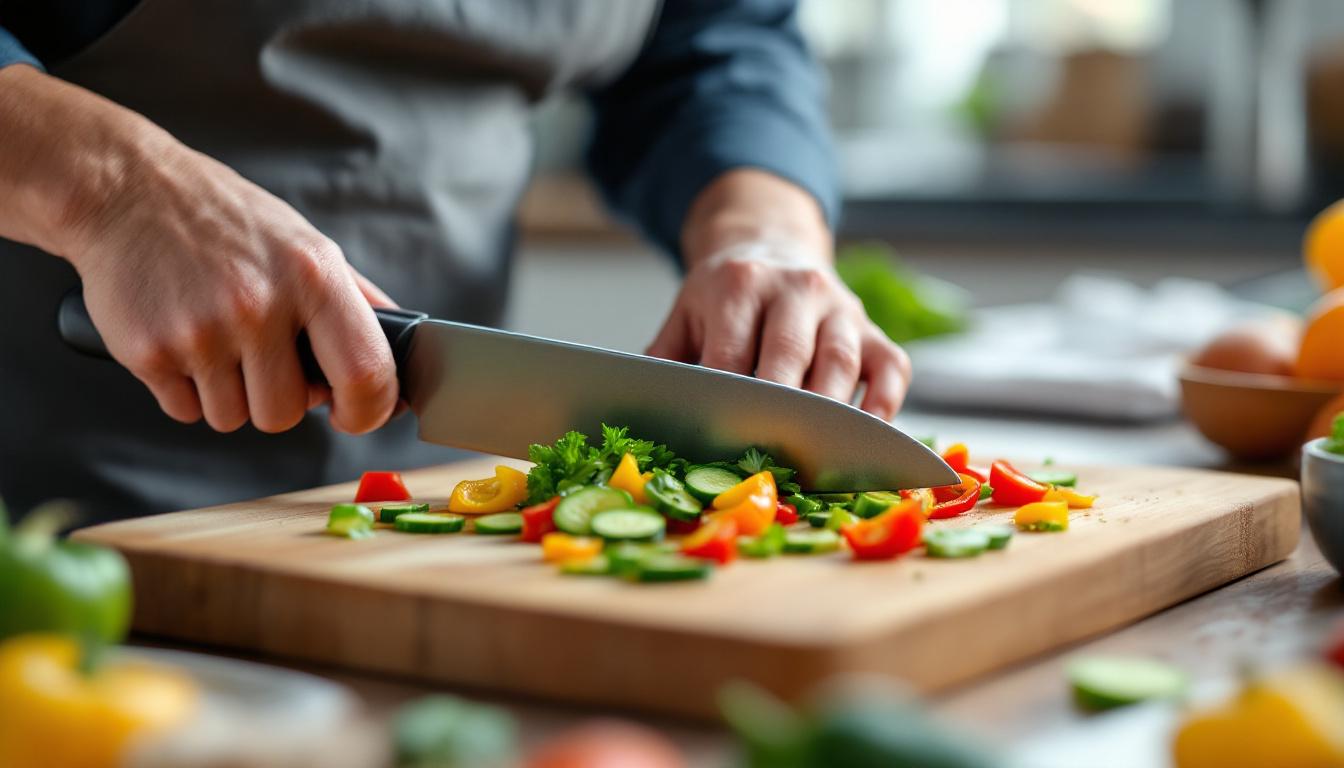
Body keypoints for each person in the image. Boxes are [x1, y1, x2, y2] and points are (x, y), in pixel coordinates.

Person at [0, 0, 912, 522]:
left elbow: (717, 38)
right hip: (47, 510)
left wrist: (766, 227)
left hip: (410, 506)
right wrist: (112, 190)